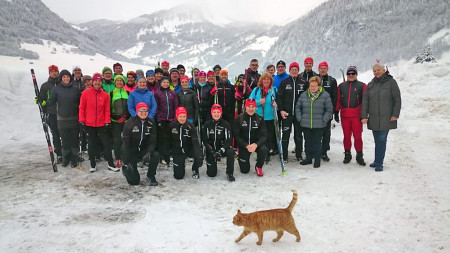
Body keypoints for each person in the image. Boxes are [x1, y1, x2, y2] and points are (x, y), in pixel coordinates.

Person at [361, 63, 401, 172]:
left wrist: (395, 114)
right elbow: (365, 101)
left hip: (386, 117)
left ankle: (379, 163)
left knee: (382, 140)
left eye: (379, 70)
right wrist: (364, 116)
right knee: (377, 140)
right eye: (374, 71)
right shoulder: (371, 84)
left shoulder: (391, 82)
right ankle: (376, 160)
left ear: (384, 70)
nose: (376, 72)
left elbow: (397, 99)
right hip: (373, 118)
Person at [79, 73, 118, 172]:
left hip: (101, 124)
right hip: (89, 123)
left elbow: (107, 110)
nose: (97, 82)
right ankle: (92, 164)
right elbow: (82, 108)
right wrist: (81, 120)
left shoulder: (105, 94)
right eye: (96, 80)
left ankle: (110, 163)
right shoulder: (86, 93)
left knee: (106, 144)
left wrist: (107, 121)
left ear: (102, 82)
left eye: (100, 81)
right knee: (91, 144)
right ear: (92, 82)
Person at [295, 76, 333, 168]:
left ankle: (317, 159)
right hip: (306, 123)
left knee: (317, 142)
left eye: (315, 86)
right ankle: (308, 158)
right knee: (307, 141)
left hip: (319, 124)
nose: (313, 88)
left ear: (319, 86)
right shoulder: (304, 95)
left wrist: (324, 119)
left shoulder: (325, 95)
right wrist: (300, 118)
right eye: (311, 86)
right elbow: (298, 107)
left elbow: (329, 109)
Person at [47, 69, 81, 167]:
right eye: (63, 77)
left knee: (74, 139)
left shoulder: (75, 89)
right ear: (61, 78)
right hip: (62, 119)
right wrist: (42, 101)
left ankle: (74, 158)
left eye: (68, 77)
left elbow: (80, 102)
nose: (66, 78)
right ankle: (66, 158)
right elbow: (50, 101)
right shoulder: (56, 89)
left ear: (70, 78)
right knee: (65, 140)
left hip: (74, 118)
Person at [121, 102, 160, 186]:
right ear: (137, 111)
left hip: (143, 150)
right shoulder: (130, 124)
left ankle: (150, 176)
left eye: (145, 110)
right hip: (131, 152)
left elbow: (153, 141)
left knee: (155, 155)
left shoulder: (151, 123)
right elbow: (125, 144)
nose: (143, 113)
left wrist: (148, 153)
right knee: (134, 182)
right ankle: (125, 168)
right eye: (141, 111)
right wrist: (127, 159)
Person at [277, 62, 308, 162]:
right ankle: (284, 156)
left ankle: (299, 155)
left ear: (298, 71)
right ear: (289, 71)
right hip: (287, 114)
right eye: (292, 69)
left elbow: (308, 98)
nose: (294, 71)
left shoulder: (304, 82)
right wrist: (281, 110)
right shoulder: (285, 82)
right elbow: (279, 97)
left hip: (299, 114)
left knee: (299, 135)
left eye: (296, 69)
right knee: (285, 135)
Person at [336, 66, 367, 165]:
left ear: (356, 74)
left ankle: (359, 155)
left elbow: (365, 102)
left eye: (353, 73)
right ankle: (347, 154)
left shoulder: (362, 86)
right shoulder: (341, 86)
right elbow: (338, 100)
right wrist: (336, 111)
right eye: (349, 74)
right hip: (345, 115)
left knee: (358, 137)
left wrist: (364, 115)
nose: (351, 75)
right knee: (347, 136)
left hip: (356, 115)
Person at [233, 99, 268, 177]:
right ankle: (242, 159)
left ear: (256, 107)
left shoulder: (259, 119)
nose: (251, 109)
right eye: (249, 106)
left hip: (255, 144)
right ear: (245, 107)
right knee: (244, 170)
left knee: (264, 149)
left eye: (253, 107)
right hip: (244, 145)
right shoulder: (239, 118)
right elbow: (236, 136)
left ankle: (259, 166)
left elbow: (264, 135)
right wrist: (246, 145)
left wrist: (256, 144)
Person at [202, 104, 235, 181]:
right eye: (214, 112)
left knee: (231, 151)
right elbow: (205, 140)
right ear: (211, 113)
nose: (216, 114)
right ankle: (212, 163)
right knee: (211, 174)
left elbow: (229, 140)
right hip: (211, 149)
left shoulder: (225, 124)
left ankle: (229, 173)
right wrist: (212, 151)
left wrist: (222, 150)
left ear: (221, 113)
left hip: (222, 149)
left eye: (218, 112)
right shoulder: (207, 124)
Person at [249, 72, 278, 162]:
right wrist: (258, 102)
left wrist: (277, 105)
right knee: (259, 136)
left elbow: (279, 102)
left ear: (271, 81)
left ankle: (267, 153)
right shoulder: (256, 90)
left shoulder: (274, 90)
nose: (266, 81)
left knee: (269, 137)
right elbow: (250, 102)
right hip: (258, 117)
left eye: (268, 79)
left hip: (270, 117)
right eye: (264, 79)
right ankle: (260, 153)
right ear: (261, 80)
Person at [169, 107, 203, 179]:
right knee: (178, 176)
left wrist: (199, 154)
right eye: (180, 116)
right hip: (178, 151)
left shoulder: (190, 126)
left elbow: (195, 142)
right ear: (177, 116)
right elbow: (167, 141)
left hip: (189, 149)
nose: (182, 118)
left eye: (184, 116)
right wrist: (169, 152)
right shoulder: (172, 126)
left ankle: (195, 169)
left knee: (198, 155)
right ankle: (180, 165)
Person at [38, 64, 62, 163]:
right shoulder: (45, 85)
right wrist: (40, 102)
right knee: (55, 134)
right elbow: (42, 99)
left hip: (63, 113)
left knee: (64, 135)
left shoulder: (62, 84)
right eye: (52, 71)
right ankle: (59, 154)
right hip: (52, 114)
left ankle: (67, 152)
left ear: (58, 72)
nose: (54, 73)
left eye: (55, 71)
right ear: (49, 73)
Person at [154, 77, 178, 165]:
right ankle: (163, 156)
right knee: (162, 138)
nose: (166, 84)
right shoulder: (157, 93)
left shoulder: (172, 93)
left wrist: (175, 118)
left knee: (170, 138)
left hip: (171, 118)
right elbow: (156, 107)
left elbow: (176, 106)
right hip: (162, 119)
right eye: (164, 82)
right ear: (160, 83)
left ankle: (169, 154)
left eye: (167, 82)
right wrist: (158, 119)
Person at [317, 61, 338, 161]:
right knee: (316, 132)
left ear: (327, 69)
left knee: (326, 132)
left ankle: (324, 152)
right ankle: (315, 151)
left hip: (327, 111)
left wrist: (332, 111)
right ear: (318, 69)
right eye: (321, 68)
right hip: (316, 111)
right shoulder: (314, 79)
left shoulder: (332, 80)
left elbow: (334, 96)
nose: (323, 70)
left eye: (324, 68)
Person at [110, 74, 130, 168]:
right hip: (115, 121)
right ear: (115, 82)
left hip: (126, 120)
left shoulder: (128, 93)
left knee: (126, 140)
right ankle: (118, 158)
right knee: (117, 140)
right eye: (117, 81)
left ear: (123, 82)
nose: (119, 82)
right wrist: (117, 118)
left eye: (121, 80)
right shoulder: (111, 93)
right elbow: (108, 108)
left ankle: (126, 156)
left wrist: (126, 116)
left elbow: (130, 107)